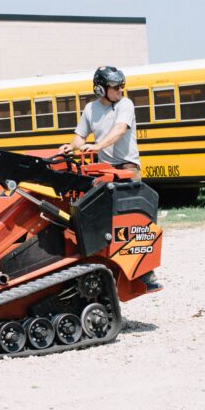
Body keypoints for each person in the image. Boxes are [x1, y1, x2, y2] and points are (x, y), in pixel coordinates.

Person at [58, 65, 161, 292]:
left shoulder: (125, 104)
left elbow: (120, 130)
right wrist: (70, 146)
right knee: (103, 221)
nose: (120, 90)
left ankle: (146, 273)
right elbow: (79, 137)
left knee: (135, 220)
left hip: (127, 167)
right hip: (104, 170)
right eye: (115, 87)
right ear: (100, 89)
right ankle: (109, 266)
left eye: (121, 86)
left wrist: (98, 146)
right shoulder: (90, 109)